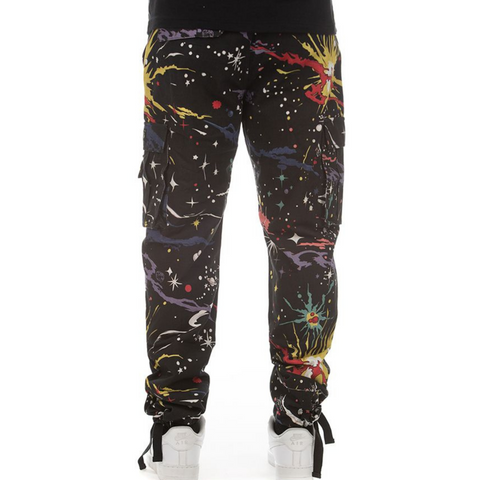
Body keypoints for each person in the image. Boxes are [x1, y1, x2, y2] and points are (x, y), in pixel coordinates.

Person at [137, 1, 345, 478]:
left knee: (180, 235)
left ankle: (176, 430)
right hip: (299, 30)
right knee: (305, 240)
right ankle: (297, 427)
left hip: (187, 33)